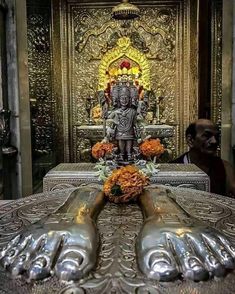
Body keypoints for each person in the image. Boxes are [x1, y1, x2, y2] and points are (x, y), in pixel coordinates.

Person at [171, 119, 235, 196]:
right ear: (190, 140)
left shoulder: (225, 167)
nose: (214, 141)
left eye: (216, 136)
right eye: (207, 136)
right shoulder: (172, 168)